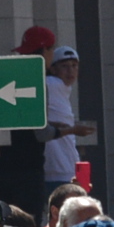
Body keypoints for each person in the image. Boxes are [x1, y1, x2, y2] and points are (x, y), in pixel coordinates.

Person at [42, 46, 90, 191]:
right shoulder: (51, 84)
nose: (70, 71)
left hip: (68, 168)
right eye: (65, 66)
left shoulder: (63, 89)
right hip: (56, 170)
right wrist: (73, 129)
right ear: (53, 69)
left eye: (74, 66)